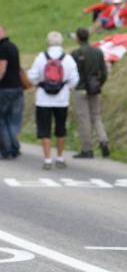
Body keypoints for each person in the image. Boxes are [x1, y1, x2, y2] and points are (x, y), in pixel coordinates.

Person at [27, 31, 79, 169]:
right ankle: (60, 157)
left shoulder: (40, 57)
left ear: (48, 42)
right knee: (60, 128)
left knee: (45, 129)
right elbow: (75, 80)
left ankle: (47, 159)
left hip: (43, 99)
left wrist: (39, 84)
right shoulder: (67, 59)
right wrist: (66, 87)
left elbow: (32, 76)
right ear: (62, 42)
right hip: (62, 99)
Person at [70, 27, 109, 159]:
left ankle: (87, 149)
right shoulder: (98, 52)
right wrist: (99, 84)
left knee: (84, 119)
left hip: (81, 89)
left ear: (78, 38)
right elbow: (104, 73)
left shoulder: (75, 53)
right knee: (96, 116)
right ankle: (103, 139)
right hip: (95, 88)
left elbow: (71, 73)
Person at [0, 25, 25, 159]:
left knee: (2, 120)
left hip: (5, 89)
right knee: (14, 121)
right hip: (17, 88)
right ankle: (15, 147)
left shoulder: (2, 48)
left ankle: (7, 149)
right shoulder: (13, 46)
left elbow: (2, 69)